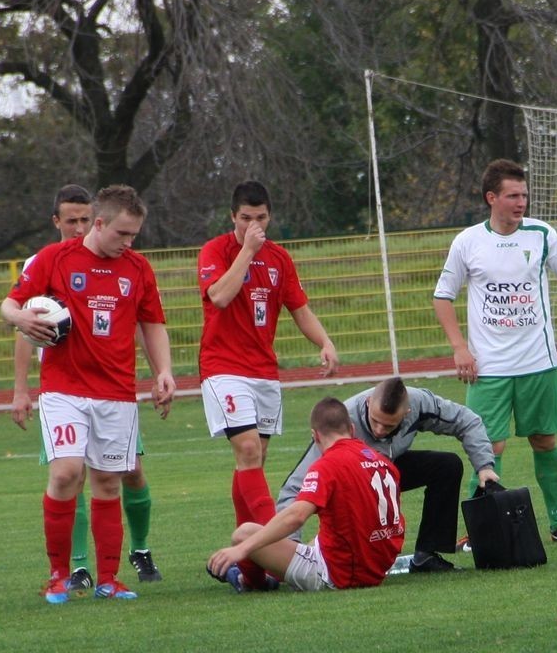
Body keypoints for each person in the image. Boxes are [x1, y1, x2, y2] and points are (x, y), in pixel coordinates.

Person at [1, 184, 176, 603]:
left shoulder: (138, 269)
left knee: (108, 483)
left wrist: (164, 372)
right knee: (65, 473)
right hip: (64, 389)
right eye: (122, 234)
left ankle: (109, 579)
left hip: (116, 392)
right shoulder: (55, 259)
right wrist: (22, 317)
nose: (128, 243)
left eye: (134, 235)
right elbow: (9, 305)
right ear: (99, 224)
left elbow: (152, 324)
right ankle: (59, 575)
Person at [433, 158, 557, 544]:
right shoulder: (468, 242)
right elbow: (442, 296)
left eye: (524, 195)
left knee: (544, 440)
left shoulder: (541, 234)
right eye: (513, 195)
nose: (521, 203)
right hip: (489, 367)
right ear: (492, 198)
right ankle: (477, 531)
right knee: (489, 445)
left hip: (539, 362)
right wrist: (459, 348)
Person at [197, 180, 339, 588]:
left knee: (253, 458)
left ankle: (254, 571)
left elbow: (299, 307)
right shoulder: (216, 251)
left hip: (263, 372)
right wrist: (247, 250)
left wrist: (324, 341)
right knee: (245, 449)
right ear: (233, 218)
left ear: (269, 216)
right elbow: (220, 297)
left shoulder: (280, 258)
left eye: (260, 218)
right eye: (246, 219)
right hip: (223, 367)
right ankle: (277, 542)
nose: (254, 225)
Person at [277, 377, 498, 573]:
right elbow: (296, 486)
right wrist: (289, 549)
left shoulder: (420, 403)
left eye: (389, 425)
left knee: (447, 465)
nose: (380, 430)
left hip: (387, 470)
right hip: (353, 482)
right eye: (375, 421)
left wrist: (485, 466)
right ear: (367, 403)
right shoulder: (344, 421)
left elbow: (467, 421)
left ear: (407, 413)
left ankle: (427, 556)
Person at [208, 396, 405, 592]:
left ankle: (251, 582)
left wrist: (241, 550)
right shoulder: (383, 461)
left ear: (315, 436)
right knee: (322, 537)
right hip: (378, 567)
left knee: (244, 534)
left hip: (342, 574)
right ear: (352, 429)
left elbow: (297, 516)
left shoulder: (327, 465)